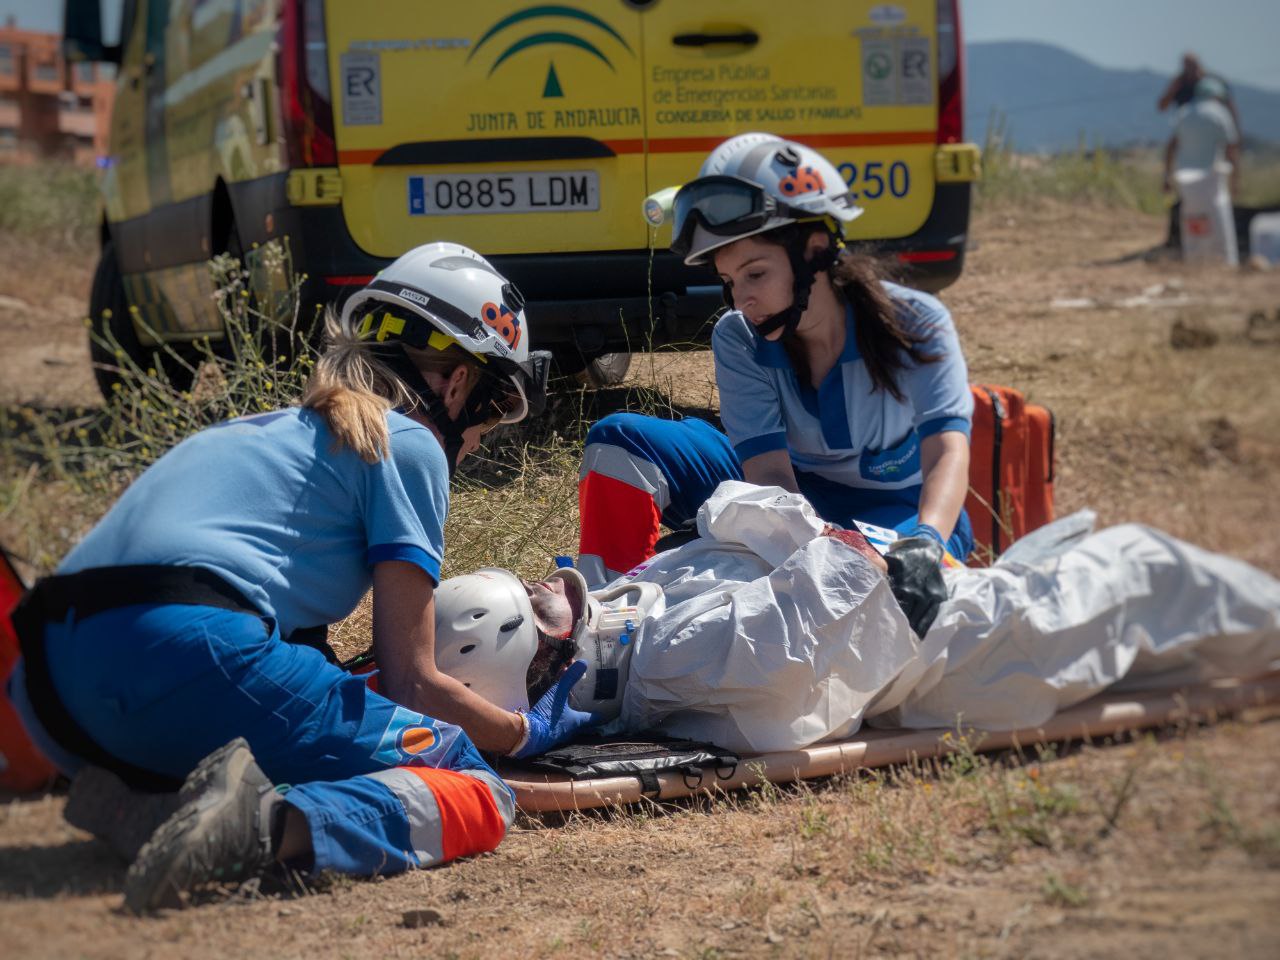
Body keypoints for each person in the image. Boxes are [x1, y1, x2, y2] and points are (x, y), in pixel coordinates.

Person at [6, 242, 595, 913]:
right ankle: (263, 829)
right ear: (457, 383)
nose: (479, 441)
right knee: (472, 781)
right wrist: (524, 733)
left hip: (49, 689)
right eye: (489, 420)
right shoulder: (408, 443)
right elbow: (415, 682)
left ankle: (149, 801)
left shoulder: (254, 431)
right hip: (181, 648)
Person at [437, 482, 1280, 755]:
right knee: (1146, 566)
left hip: (959, 627)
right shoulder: (684, 656)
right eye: (534, 597)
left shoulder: (648, 627)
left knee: (1162, 617)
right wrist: (749, 519)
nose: (548, 580)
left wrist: (743, 517)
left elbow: (755, 520)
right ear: (542, 648)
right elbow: (854, 565)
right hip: (981, 646)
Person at [578, 133, 971, 638]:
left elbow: (948, 453)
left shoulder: (916, 321)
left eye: (755, 274)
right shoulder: (738, 337)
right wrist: (801, 542)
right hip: (787, 493)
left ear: (816, 250)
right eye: (729, 280)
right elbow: (768, 475)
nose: (742, 300)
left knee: (888, 592)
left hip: (905, 511)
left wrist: (926, 543)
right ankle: (602, 630)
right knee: (619, 442)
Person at [1164, 76, 1242, 199]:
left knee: (1189, 213)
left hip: (1185, 180)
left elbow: (1171, 146)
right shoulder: (1221, 114)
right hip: (1212, 181)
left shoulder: (1183, 113)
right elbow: (1231, 149)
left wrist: (1167, 176)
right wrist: (1235, 182)